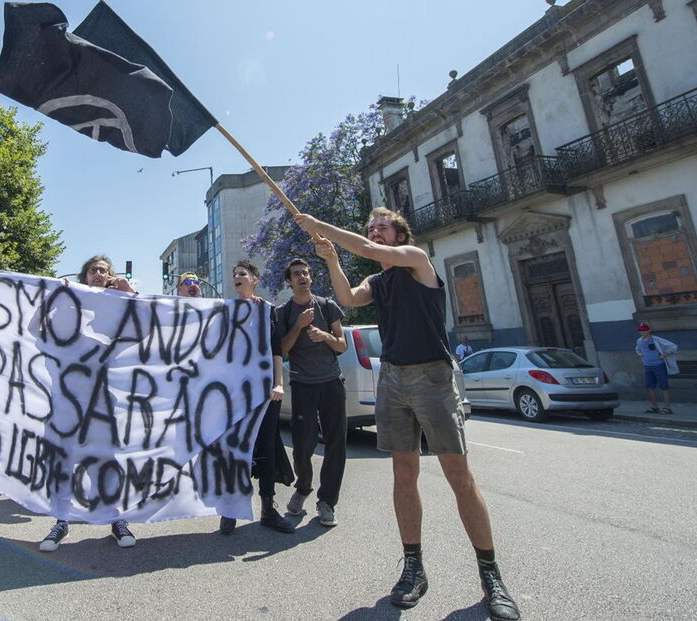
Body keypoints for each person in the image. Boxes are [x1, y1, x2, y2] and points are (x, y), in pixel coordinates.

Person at [293, 208, 520, 620]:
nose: (374, 232)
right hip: (393, 379)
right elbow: (347, 298)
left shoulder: (417, 259)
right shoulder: (377, 282)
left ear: (399, 235)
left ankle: (491, 577)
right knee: (403, 475)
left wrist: (318, 225)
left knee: (460, 478)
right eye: (371, 228)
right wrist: (330, 258)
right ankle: (414, 568)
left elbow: (362, 246)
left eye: (382, 227)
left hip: (433, 377)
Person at [39, 255, 137, 552]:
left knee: (105, 460)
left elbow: (143, 332)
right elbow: (38, 331)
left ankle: (115, 519)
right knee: (63, 461)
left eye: (103, 270)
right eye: (92, 270)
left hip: (101, 401)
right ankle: (60, 520)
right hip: (66, 400)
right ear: (84, 278)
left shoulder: (115, 310)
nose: (97, 273)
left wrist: (130, 296)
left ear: (110, 277)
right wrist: (59, 298)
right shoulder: (68, 307)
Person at [219, 260, 295, 535]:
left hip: (264, 392)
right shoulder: (226, 312)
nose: (237, 277)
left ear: (254, 280)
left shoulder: (268, 312)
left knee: (266, 448)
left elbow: (277, 350)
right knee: (236, 450)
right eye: (234, 274)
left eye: (243, 274)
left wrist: (279, 384)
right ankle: (230, 509)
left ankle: (268, 510)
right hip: (236, 394)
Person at [275, 258, 348, 528]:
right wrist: (299, 326)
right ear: (289, 281)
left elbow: (342, 346)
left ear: (311, 278)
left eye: (305, 273)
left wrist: (326, 337)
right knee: (302, 445)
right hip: (303, 384)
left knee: (335, 443)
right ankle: (303, 487)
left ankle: (327, 502)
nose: (302, 277)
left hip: (331, 382)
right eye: (296, 274)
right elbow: (281, 350)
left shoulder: (328, 306)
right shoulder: (283, 313)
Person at [635, 322, 678, 415]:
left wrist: (664, 355)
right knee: (649, 386)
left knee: (664, 386)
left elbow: (673, 347)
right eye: (640, 330)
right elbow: (638, 349)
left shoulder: (656, 340)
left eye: (644, 330)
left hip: (658, 365)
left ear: (649, 330)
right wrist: (642, 356)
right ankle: (654, 406)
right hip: (647, 366)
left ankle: (667, 407)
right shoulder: (639, 341)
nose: (642, 332)